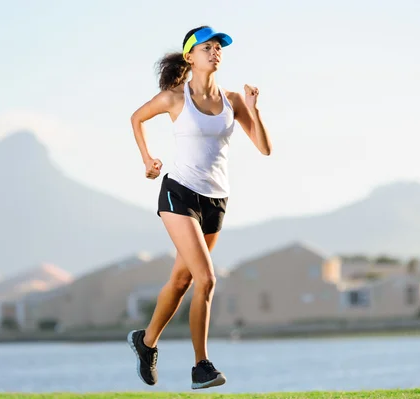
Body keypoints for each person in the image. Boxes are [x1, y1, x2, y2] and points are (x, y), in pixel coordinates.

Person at [127, 25, 272, 390]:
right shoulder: (175, 98)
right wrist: (147, 159)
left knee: (181, 280)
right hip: (179, 193)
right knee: (206, 279)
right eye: (207, 47)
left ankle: (146, 343)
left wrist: (254, 111)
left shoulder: (234, 100)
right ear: (190, 56)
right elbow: (137, 118)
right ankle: (201, 366)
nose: (215, 51)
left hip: (216, 201)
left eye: (219, 47)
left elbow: (265, 148)